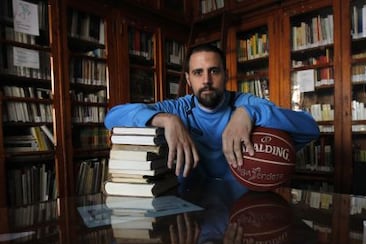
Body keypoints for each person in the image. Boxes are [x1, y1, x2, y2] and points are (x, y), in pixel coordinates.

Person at [104, 43, 319, 182]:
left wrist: (249, 113)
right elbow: (112, 117)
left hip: (243, 213)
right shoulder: (178, 108)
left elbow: (310, 128)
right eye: (198, 73)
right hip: (189, 213)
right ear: (188, 79)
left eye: (214, 71)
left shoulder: (245, 103)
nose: (206, 80)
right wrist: (166, 120)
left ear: (225, 75)